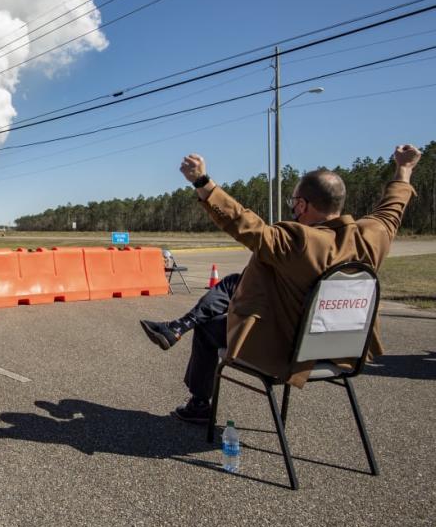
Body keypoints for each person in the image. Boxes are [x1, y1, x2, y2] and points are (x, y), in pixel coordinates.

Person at [139, 144, 421, 424]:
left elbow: (243, 223)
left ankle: (199, 403)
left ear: (302, 205)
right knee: (233, 282)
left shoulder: (297, 241)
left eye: (294, 203)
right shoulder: (374, 235)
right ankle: (179, 328)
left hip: (288, 351)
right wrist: (404, 168)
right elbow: (393, 206)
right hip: (345, 352)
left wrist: (202, 181)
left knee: (208, 329)